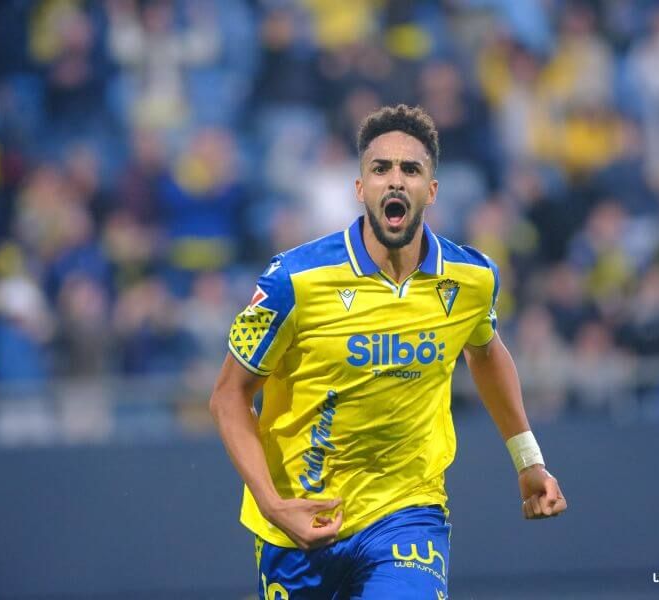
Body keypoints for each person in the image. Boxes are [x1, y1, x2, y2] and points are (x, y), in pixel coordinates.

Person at [210, 105, 568, 598]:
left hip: (408, 514)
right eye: (380, 169)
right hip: (299, 521)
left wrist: (529, 460)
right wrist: (272, 504)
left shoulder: (471, 279)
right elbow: (229, 396)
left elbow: (484, 352)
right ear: (361, 188)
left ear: (432, 190)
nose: (395, 180)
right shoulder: (292, 281)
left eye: (411, 169)